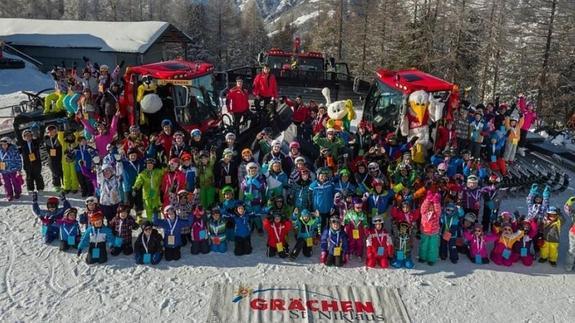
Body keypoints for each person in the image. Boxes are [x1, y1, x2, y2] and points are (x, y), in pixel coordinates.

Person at [418, 191, 442, 266]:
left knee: (433, 246)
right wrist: (427, 200)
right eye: (430, 205)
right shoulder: (424, 212)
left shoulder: (436, 214)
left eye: (432, 206)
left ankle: (431, 259)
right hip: (425, 232)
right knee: (423, 245)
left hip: (434, 233)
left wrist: (436, 202)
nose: (431, 207)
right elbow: (423, 207)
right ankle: (422, 257)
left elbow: (438, 210)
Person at [0, 137, 23, 201]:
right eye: (2, 144)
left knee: (15, 182)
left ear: (9, 144)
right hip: (4, 170)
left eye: (5, 144)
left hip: (13, 169)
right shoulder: (0, 150)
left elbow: (18, 159)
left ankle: (17, 192)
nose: (3, 146)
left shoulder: (14, 150)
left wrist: (19, 169)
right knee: (6, 183)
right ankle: (9, 194)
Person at [44, 125, 64, 192]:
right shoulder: (46, 140)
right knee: (55, 172)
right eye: (50, 132)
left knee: (62, 171)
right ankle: (56, 185)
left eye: (53, 131)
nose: (52, 133)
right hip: (52, 159)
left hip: (61, 157)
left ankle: (65, 184)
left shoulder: (59, 137)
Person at [564, 196, 575, 271]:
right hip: (573, 233)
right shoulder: (574, 213)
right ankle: (569, 265)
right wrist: (571, 200)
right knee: (572, 250)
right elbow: (567, 208)